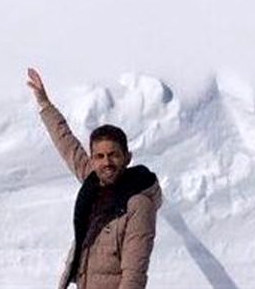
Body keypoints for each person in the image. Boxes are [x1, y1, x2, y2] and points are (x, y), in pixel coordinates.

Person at [27, 68, 162, 289]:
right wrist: (45, 105)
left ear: (127, 158)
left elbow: (134, 275)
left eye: (113, 155)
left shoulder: (138, 205)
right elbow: (67, 144)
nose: (106, 162)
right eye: (99, 156)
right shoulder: (94, 183)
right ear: (92, 159)